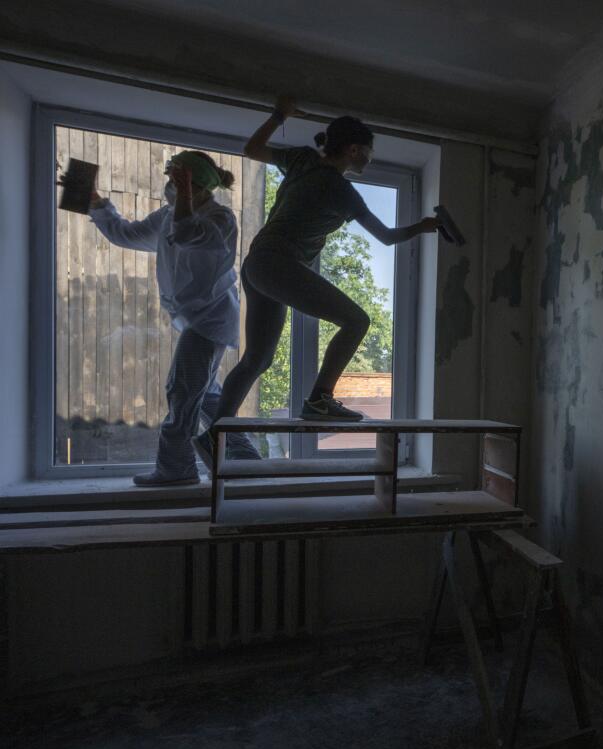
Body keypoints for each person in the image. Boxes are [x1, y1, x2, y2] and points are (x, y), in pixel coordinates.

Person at [194, 98, 441, 468]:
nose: (369, 160)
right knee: (357, 320)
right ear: (355, 149)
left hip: (257, 265)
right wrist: (423, 227)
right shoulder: (340, 189)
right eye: (369, 154)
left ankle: (213, 436)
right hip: (277, 263)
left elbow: (252, 148)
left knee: (257, 359)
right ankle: (320, 400)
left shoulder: (301, 160)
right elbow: (387, 237)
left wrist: (280, 114)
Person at [78, 151, 262, 486]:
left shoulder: (221, 219)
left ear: (198, 186)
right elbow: (127, 234)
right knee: (204, 394)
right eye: (171, 180)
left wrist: (186, 195)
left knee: (181, 391)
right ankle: (246, 457)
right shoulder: (168, 216)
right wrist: (94, 201)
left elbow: (189, 233)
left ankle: (177, 470)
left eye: (177, 181)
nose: (169, 187)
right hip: (197, 319)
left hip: (211, 320)